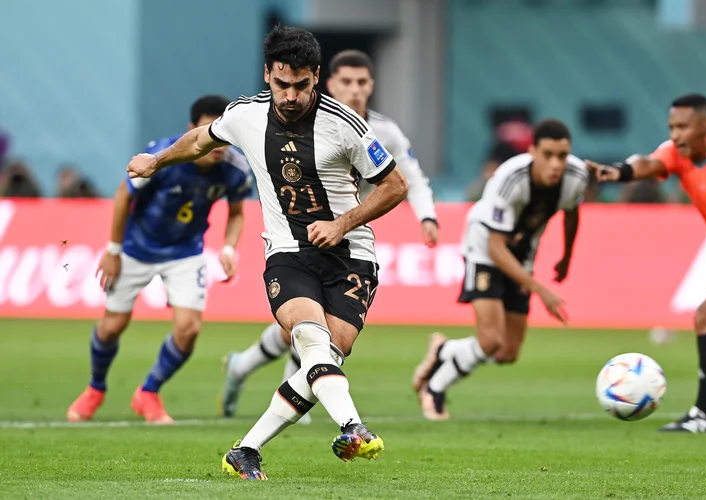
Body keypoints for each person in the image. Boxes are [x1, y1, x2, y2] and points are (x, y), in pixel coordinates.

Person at [125, 26, 408, 480]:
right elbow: (200, 140)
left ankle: (246, 449)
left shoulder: (347, 126)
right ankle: (353, 425)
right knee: (310, 337)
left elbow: (395, 186)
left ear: (316, 77)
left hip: (351, 254)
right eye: (281, 84)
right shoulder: (246, 115)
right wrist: (155, 161)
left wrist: (341, 223)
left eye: (300, 85)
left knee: (327, 359)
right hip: (287, 252)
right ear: (267, 75)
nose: (290, 95)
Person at [219, 49, 439, 423]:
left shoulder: (382, 131)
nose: (355, 90)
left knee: (315, 328)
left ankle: (246, 366)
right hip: (301, 236)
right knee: (308, 324)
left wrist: (428, 215)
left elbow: (409, 177)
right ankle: (300, 395)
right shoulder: (297, 119)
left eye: (362, 82)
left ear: (372, 86)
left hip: (350, 230)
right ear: (329, 83)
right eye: (347, 82)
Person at [66, 95, 251, 424]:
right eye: (211, 130)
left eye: (225, 132)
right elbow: (124, 194)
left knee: (189, 329)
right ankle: (95, 388)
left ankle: (148, 392)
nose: (219, 141)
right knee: (112, 327)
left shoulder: (236, 169)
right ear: (192, 130)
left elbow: (237, 213)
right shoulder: (164, 156)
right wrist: (113, 250)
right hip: (138, 247)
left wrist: (227, 248)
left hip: (185, 251)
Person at [586, 93, 706, 433]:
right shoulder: (678, 154)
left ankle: (704, 415)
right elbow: (648, 164)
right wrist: (617, 172)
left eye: (682, 127)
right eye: (671, 127)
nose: (675, 134)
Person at [413, 119, 587, 420]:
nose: (556, 163)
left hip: (522, 254)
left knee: (507, 352)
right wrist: (540, 289)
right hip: (484, 249)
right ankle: (435, 389)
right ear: (532, 151)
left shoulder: (576, 176)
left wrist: (567, 256)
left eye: (562, 155)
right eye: (547, 154)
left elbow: (572, 213)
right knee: (490, 340)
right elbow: (495, 246)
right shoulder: (511, 179)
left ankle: (445, 352)